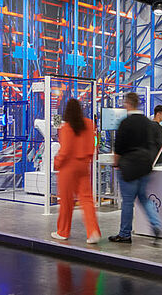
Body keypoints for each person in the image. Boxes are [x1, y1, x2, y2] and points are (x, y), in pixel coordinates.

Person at [109, 93, 162, 243]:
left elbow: (118, 148)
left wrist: (116, 163)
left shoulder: (125, 123)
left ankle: (125, 234)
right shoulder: (147, 122)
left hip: (129, 167)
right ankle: (156, 225)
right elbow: (153, 144)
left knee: (127, 201)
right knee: (143, 198)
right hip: (145, 166)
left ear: (128, 103)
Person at [52, 99, 101, 243]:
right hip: (83, 166)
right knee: (87, 200)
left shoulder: (66, 128)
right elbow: (94, 144)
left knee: (66, 201)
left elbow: (65, 151)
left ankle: (63, 231)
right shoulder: (89, 124)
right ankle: (93, 232)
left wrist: (57, 163)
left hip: (68, 168)